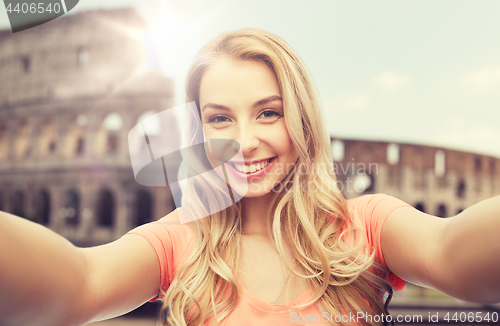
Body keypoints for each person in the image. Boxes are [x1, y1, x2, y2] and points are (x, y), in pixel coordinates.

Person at [0, 28, 499, 326]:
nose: (243, 140)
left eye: (268, 113)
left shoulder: (363, 224)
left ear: (302, 118)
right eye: (219, 119)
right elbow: (78, 283)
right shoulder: (182, 238)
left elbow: (452, 256)